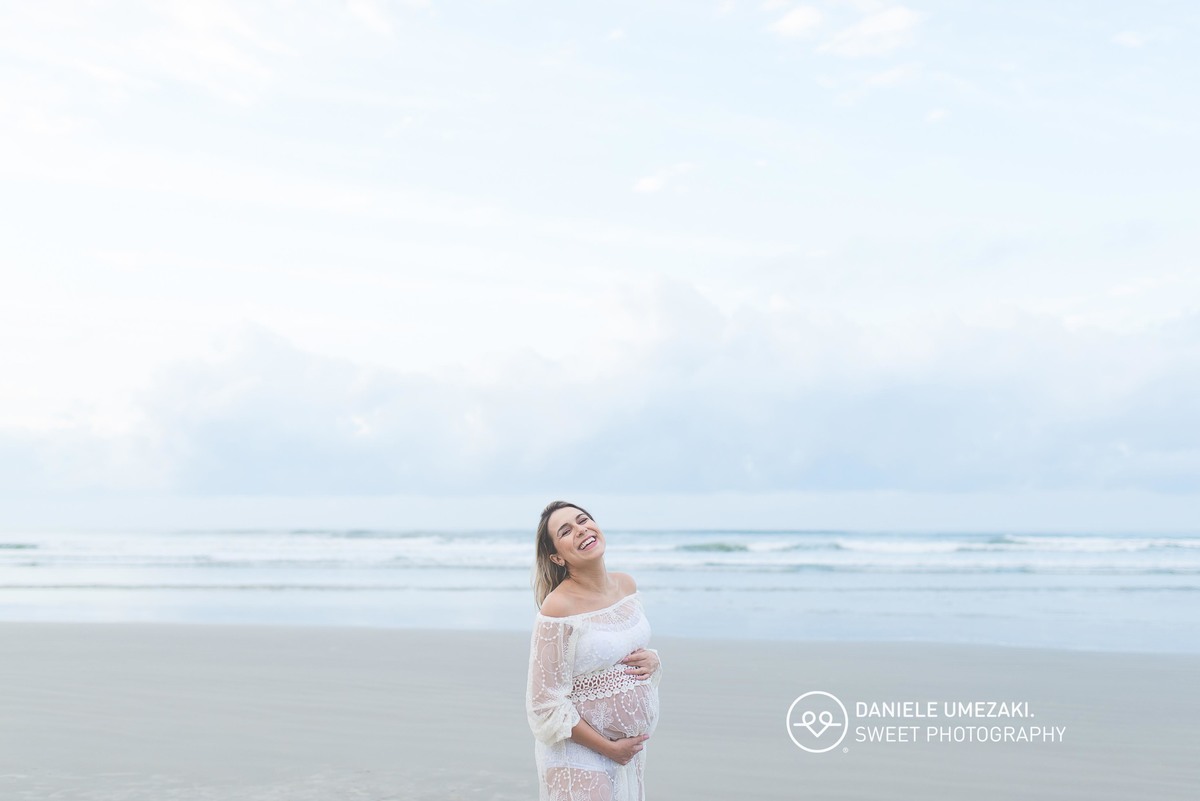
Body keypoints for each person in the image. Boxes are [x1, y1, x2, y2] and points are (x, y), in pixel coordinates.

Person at [526, 500, 663, 801]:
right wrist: (609, 748)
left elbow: (618, 651)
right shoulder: (558, 607)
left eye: (583, 520)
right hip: (580, 753)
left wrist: (653, 661)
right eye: (566, 531)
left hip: (627, 753)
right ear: (557, 557)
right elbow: (543, 704)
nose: (580, 530)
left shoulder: (626, 585)